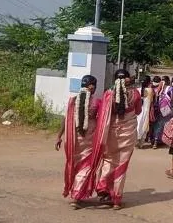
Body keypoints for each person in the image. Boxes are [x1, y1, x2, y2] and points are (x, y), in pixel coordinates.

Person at [95, 69, 142, 209]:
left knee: (109, 160)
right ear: (128, 79)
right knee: (122, 164)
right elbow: (138, 111)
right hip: (128, 133)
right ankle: (116, 198)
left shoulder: (109, 94)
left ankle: (104, 191)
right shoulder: (135, 94)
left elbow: (103, 114)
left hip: (111, 133)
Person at [55, 75, 103, 209]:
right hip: (89, 139)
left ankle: (77, 193)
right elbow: (102, 121)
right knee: (86, 167)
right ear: (92, 87)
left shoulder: (73, 101)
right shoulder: (97, 103)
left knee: (76, 166)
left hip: (73, 140)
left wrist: (59, 136)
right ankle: (76, 196)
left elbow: (65, 119)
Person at [136, 75, 153, 149]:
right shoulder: (150, 90)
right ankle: (141, 144)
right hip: (146, 111)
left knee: (137, 125)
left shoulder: (137, 90)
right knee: (144, 127)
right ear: (149, 82)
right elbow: (152, 101)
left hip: (138, 111)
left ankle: (136, 141)